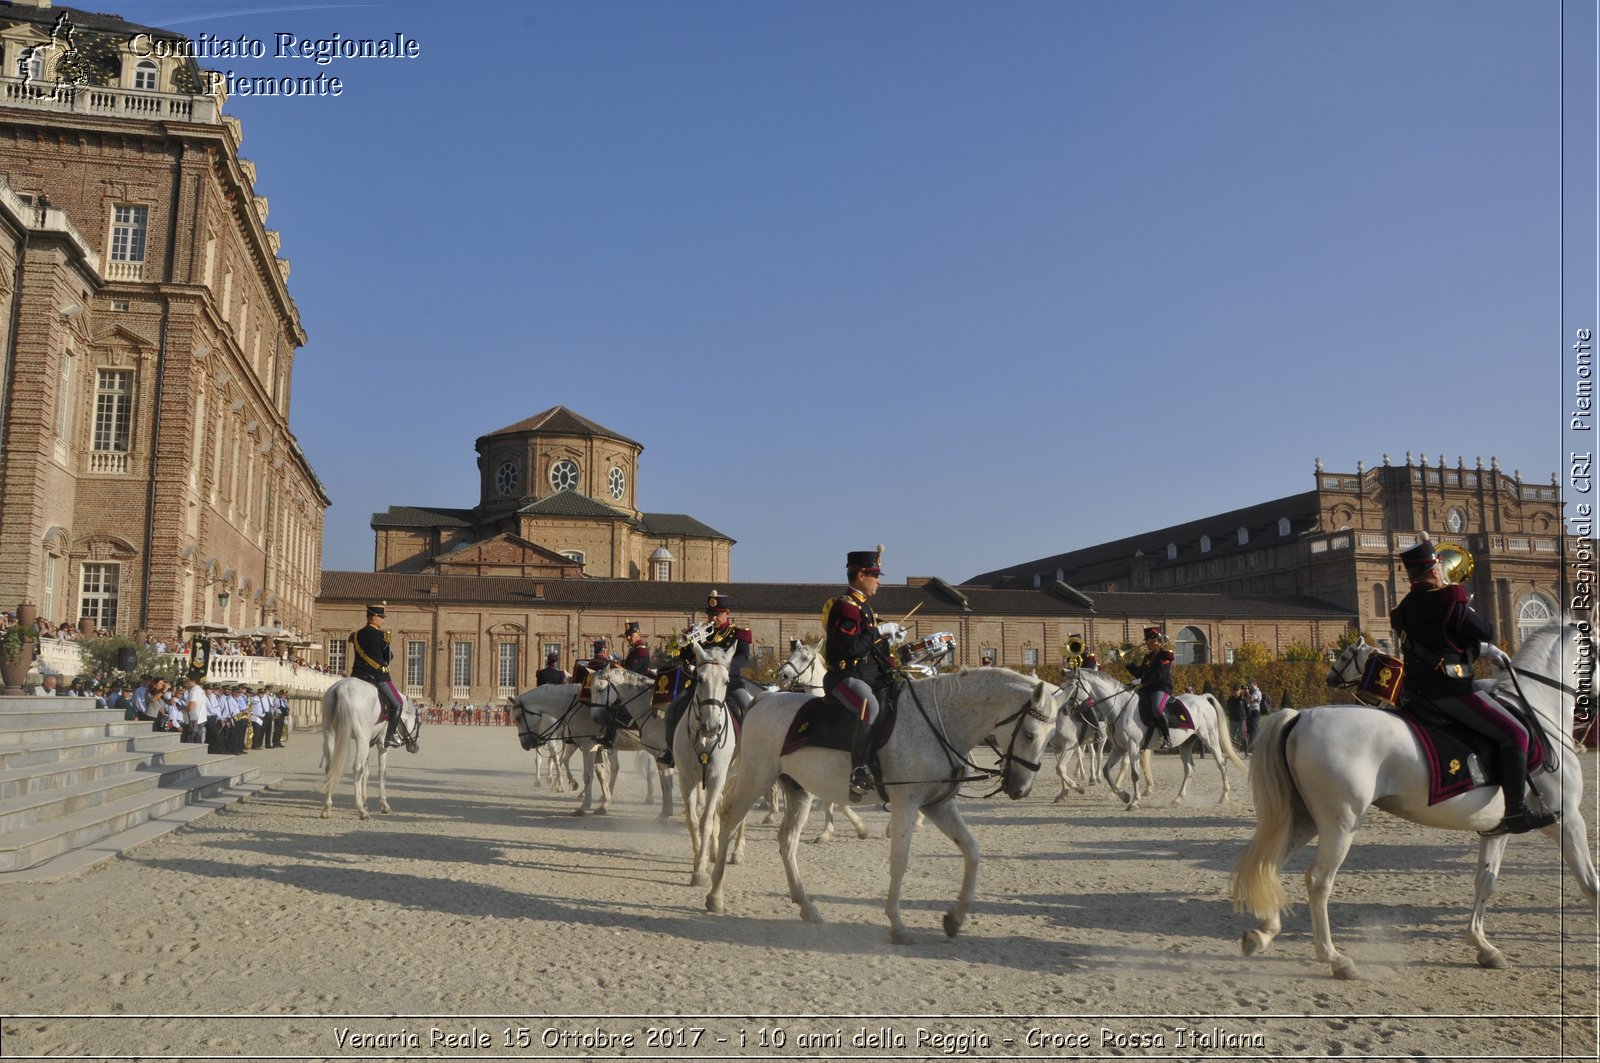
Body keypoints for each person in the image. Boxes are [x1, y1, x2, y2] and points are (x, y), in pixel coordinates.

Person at [1391, 539, 1556, 836]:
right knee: (1515, 733)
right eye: (1440, 565)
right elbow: (1485, 630)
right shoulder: (1448, 599)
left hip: (1415, 691)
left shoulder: (1402, 608)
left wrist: (1476, 646)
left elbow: (1441, 642)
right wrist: (1465, 605)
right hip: (1451, 690)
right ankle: (1516, 811)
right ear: (1435, 569)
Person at [823, 547, 900, 797]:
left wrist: (892, 644)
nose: (878, 581)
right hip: (844, 677)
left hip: (866, 675)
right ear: (860, 576)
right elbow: (850, 646)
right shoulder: (846, 607)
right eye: (875, 575)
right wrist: (879, 632)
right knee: (870, 705)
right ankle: (857, 770)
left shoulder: (864, 608)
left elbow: (873, 647)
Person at [659, 592, 754, 768]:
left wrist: (726, 667)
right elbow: (686, 657)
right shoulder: (700, 633)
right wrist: (687, 644)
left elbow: (744, 656)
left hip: (729, 682)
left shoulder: (738, 633)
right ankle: (670, 750)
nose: (714, 618)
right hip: (701, 684)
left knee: (747, 708)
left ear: (727, 613)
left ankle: (750, 753)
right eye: (711, 614)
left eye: (717, 614)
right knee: (674, 708)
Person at [350, 603, 405, 748]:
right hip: (378, 676)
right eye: (381, 617)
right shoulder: (382, 636)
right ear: (373, 617)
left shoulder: (356, 635)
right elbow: (388, 657)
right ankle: (390, 736)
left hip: (357, 675)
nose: (383, 620)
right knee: (398, 703)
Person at [1126, 626, 1175, 749]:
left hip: (1161, 687)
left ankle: (1167, 738)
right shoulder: (1148, 657)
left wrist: (1141, 680)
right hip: (1148, 688)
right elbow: (1140, 673)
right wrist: (1128, 664)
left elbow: (1159, 674)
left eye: (1148, 641)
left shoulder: (1166, 655)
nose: (1146, 644)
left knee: (1158, 708)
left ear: (1156, 641)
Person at [1226, 685, 1249, 750]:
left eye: (1237, 690)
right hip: (1232, 720)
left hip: (1241, 720)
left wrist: (1244, 717)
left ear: (1240, 691)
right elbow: (1228, 707)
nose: (1235, 691)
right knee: (1232, 736)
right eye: (1234, 690)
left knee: (1243, 736)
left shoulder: (1243, 699)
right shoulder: (1230, 699)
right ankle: (1233, 751)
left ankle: (1246, 752)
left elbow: (1248, 709)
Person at [1244, 680, 1263, 752]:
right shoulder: (1251, 692)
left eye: (1251, 685)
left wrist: (1247, 692)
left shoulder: (1257, 692)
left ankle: (1255, 748)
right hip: (1250, 712)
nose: (1250, 686)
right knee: (1250, 731)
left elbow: (1251, 699)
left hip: (1255, 712)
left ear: (1255, 685)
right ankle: (1251, 748)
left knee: (1254, 730)